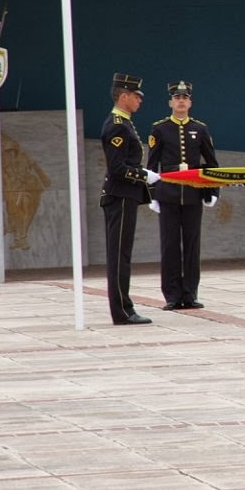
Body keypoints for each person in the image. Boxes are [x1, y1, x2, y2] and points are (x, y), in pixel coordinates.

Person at [147, 80, 220, 310]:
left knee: (191, 244)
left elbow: (211, 163)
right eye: (176, 97)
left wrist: (212, 191)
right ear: (170, 102)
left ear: (190, 102)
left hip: (192, 194)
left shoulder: (200, 129)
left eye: (184, 97)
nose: (180, 101)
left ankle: (189, 293)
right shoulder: (159, 128)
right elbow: (151, 165)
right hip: (168, 194)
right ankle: (171, 295)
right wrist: (152, 195)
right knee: (169, 245)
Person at [100, 73, 162, 325]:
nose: (139, 100)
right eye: (136, 96)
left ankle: (124, 308)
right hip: (120, 196)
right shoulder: (117, 125)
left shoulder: (124, 122)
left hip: (125, 196)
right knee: (119, 256)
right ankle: (122, 311)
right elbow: (118, 168)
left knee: (122, 255)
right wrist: (144, 175)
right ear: (123, 96)